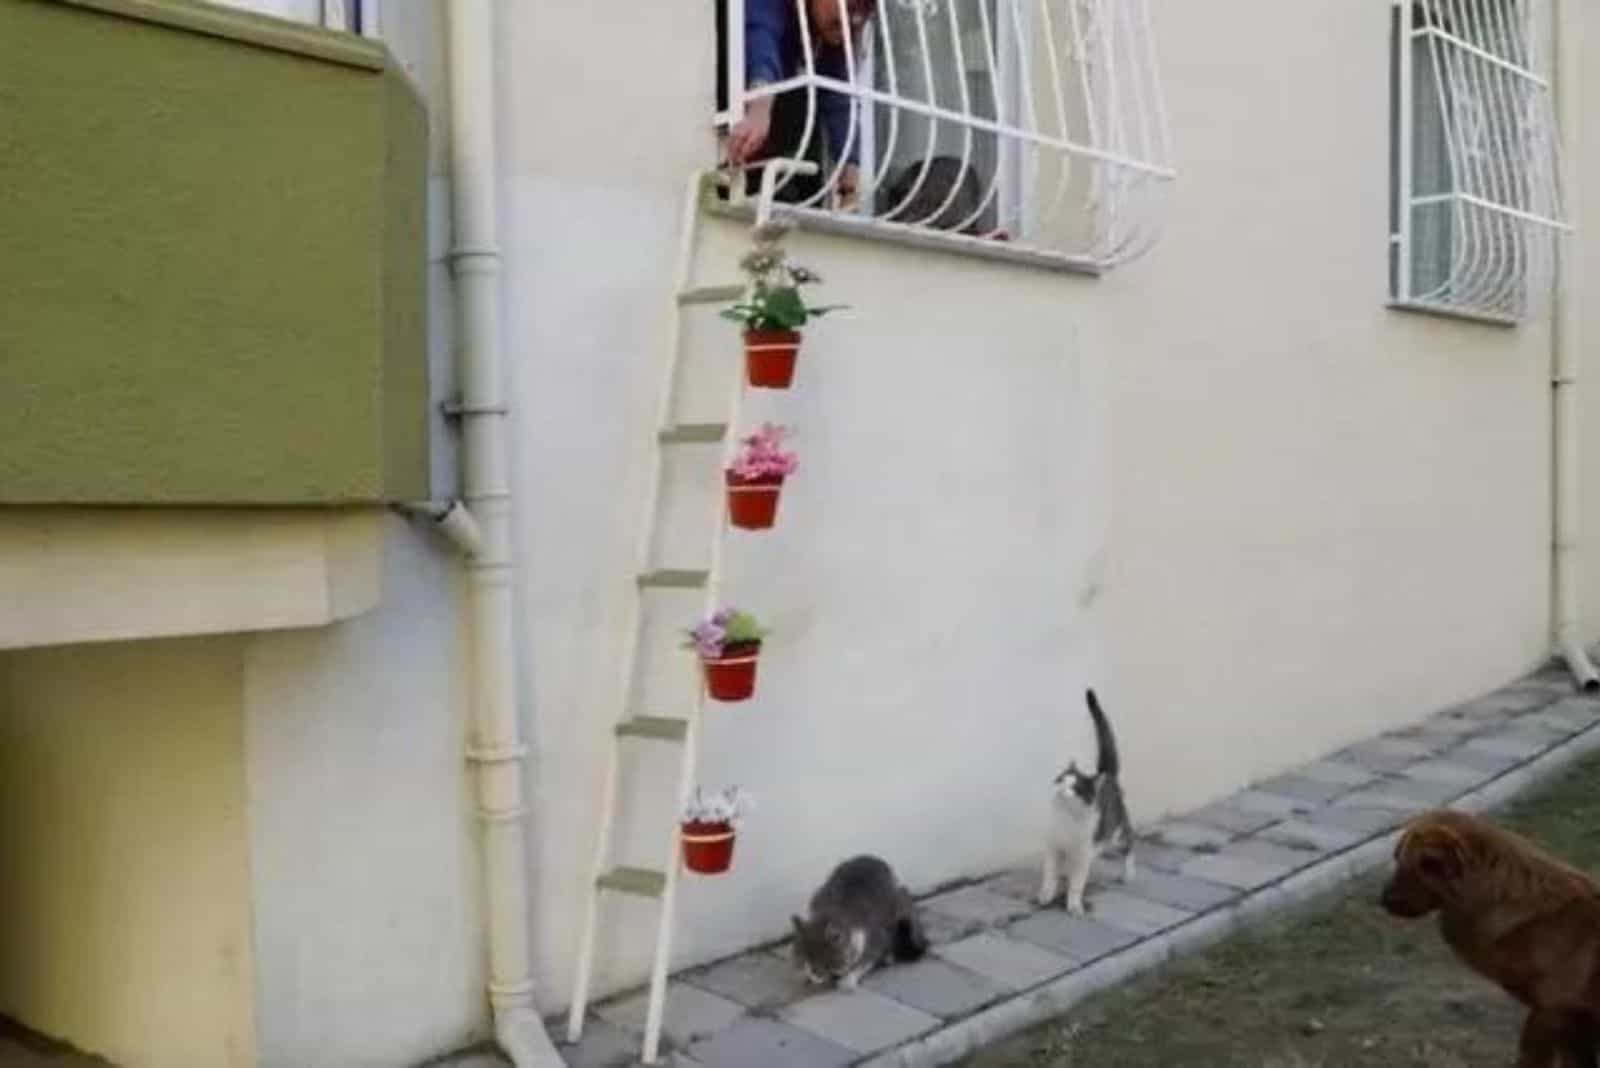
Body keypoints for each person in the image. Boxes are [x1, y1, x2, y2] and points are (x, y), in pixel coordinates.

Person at [718, 0, 879, 206]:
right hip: (723, 144)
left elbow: (840, 98)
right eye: (851, 5)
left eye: (866, 9)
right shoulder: (774, 9)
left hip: (759, 163)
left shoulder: (828, 39)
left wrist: (850, 168)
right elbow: (762, 38)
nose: (856, 18)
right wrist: (759, 107)